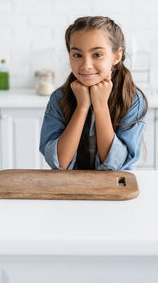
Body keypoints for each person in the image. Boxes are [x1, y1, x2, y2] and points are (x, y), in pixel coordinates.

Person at [39, 16, 148, 170]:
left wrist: (100, 105)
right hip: (70, 189)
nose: (86, 65)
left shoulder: (132, 100)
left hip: (113, 190)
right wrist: (82, 107)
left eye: (97, 55)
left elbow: (114, 165)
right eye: (77, 55)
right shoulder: (59, 98)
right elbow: (60, 163)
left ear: (116, 57)